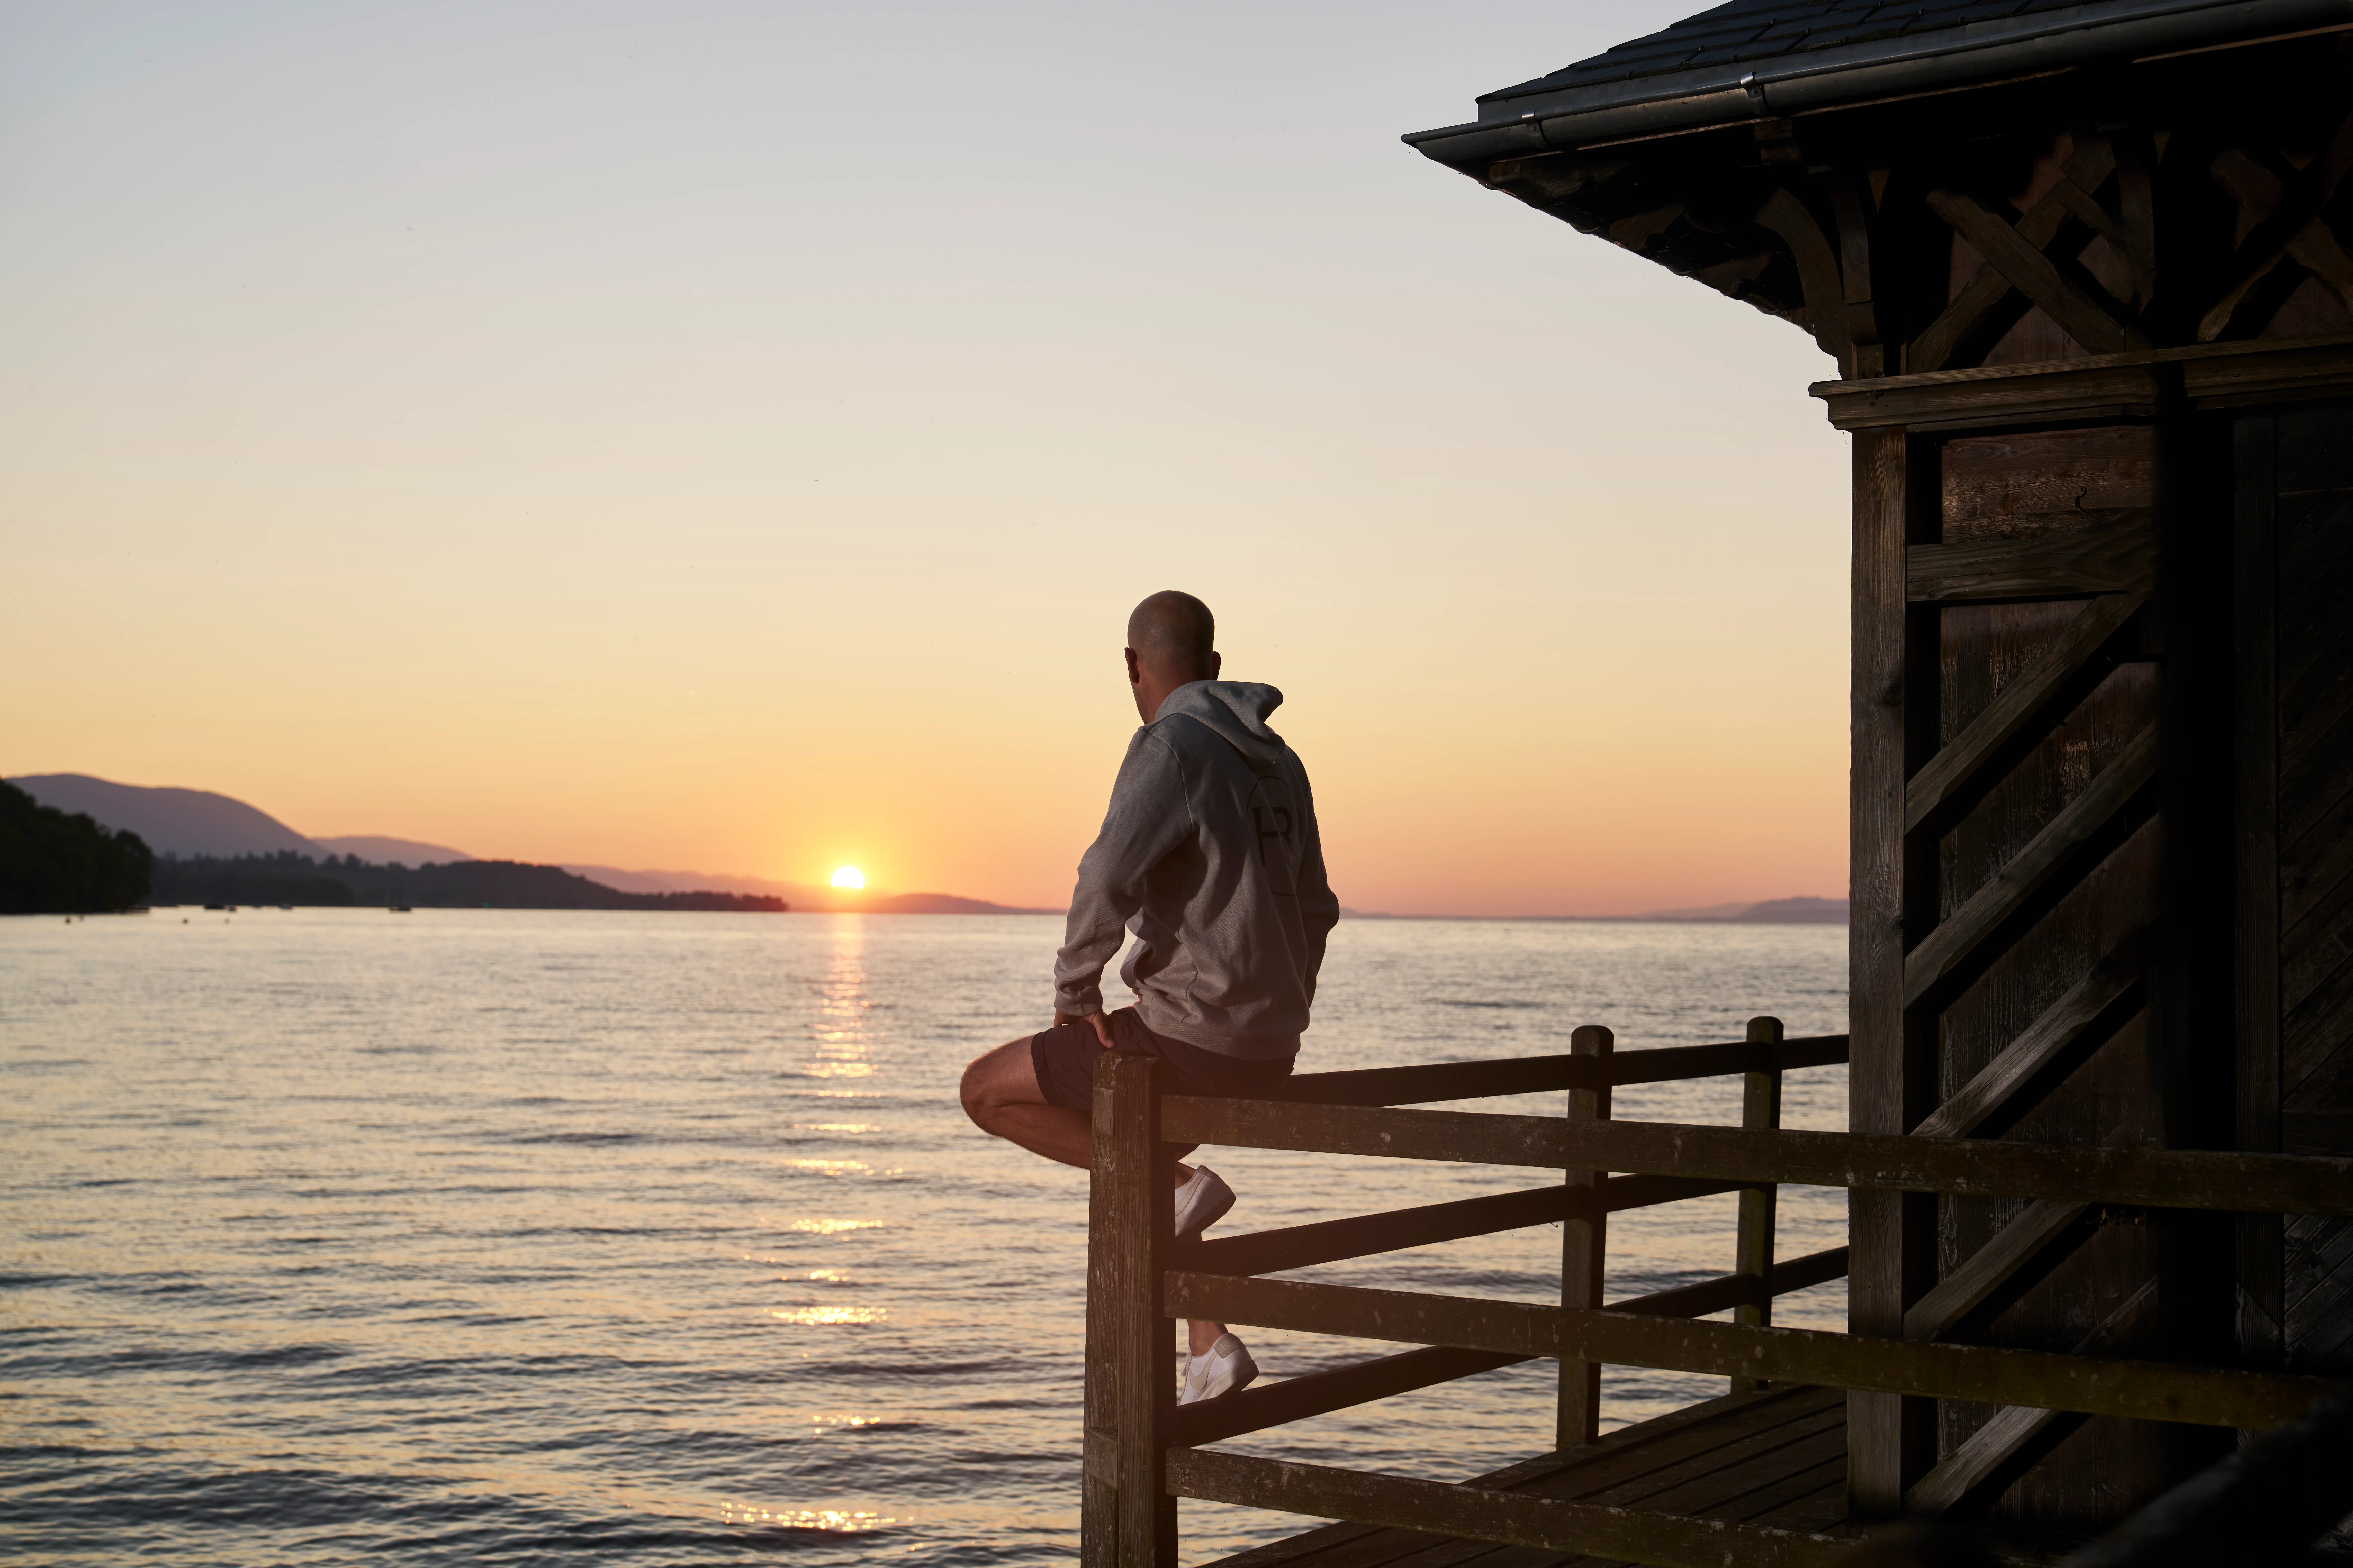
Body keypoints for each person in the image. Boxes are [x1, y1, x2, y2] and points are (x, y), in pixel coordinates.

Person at [960, 589, 1339, 1405]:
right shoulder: (1281, 762)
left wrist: (1075, 990)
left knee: (985, 1091)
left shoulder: (1170, 746)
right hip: (1270, 1050)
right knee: (1138, 1160)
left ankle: (1173, 1190)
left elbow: (1104, 872)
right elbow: (1316, 908)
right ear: (1214, 665)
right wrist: (1277, 1003)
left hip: (1187, 1039)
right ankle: (1209, 1341)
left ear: (1133, 664)